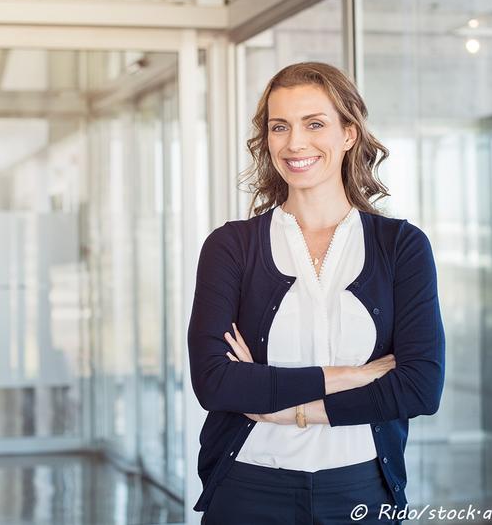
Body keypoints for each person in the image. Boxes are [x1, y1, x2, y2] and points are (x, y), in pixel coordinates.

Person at [187, 62, 446, 524]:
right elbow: (215, 383)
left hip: (362, 492)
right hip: (248, 488)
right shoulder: (232, 246)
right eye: (279, 126)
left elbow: (420, 388)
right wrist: (354, 374)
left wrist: (291, 409)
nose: (295, 143)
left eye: (315, 124)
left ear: (349, 133)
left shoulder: (401, 246)